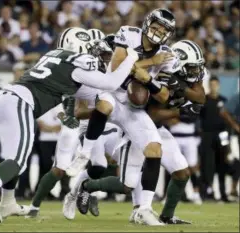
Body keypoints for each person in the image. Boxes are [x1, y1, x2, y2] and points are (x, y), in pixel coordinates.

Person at [0, 27, 145, 224]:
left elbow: (86, 90)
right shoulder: (78, 62)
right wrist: (130, 58)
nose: (93, 52)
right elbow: (111, 82)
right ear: (77, 45)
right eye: (90, 47)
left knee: (15, 157)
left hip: (2, 100)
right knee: (18, 159)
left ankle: (8, 202)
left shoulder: (54, 55)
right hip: (20, 102)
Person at [67, 9, 181, 224]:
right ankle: (85, 153)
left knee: (154, 148)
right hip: (110, 91)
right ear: (147, 23)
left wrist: (147, 80)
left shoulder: (167, 56)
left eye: (164, 29)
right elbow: (118, 65)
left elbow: (164, 96)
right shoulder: (129, 34)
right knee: (105, 105)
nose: (158, 31)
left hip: (132, 107)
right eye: (156, 26)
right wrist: (150, 62)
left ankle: (144, 209)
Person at [75, 40, 206, 225]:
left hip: (160, 130)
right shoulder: (160, 73)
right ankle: (87, 186)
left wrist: (182, 89)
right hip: (138, 127)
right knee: (127, 185)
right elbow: (151, 115)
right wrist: (178, 110)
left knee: (182, 173)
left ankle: (166, 216)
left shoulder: (187, 77)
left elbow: (200, 96)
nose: (196, 73)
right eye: (192, 68)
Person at [199, 76, 239, 202]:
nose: (213, 87)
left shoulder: (224, 100)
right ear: (209, 85)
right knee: (207, 164)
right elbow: (199, 118)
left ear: (219, 85)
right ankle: (206, 193)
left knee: (223, 162)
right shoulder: (204, 100)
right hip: (207, 135)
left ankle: (223, 193)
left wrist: (228, 135)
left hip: (222, 135)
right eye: (211, 84)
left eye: (215, 84)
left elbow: (228, 120)